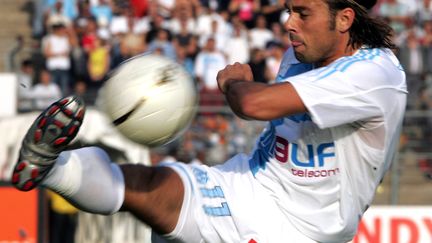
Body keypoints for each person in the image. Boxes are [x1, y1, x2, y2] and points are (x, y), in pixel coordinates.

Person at [11, 0, 407, 242]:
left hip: (296, 231)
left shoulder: (374, 77)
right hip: (249, 182)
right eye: (289, 9)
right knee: (150, 183)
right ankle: (49, 165)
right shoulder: (300, 52)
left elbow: (255, 105)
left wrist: (235, 82)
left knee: (157, 200)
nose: (290, 22)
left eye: (303, 13)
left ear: (344, 20)